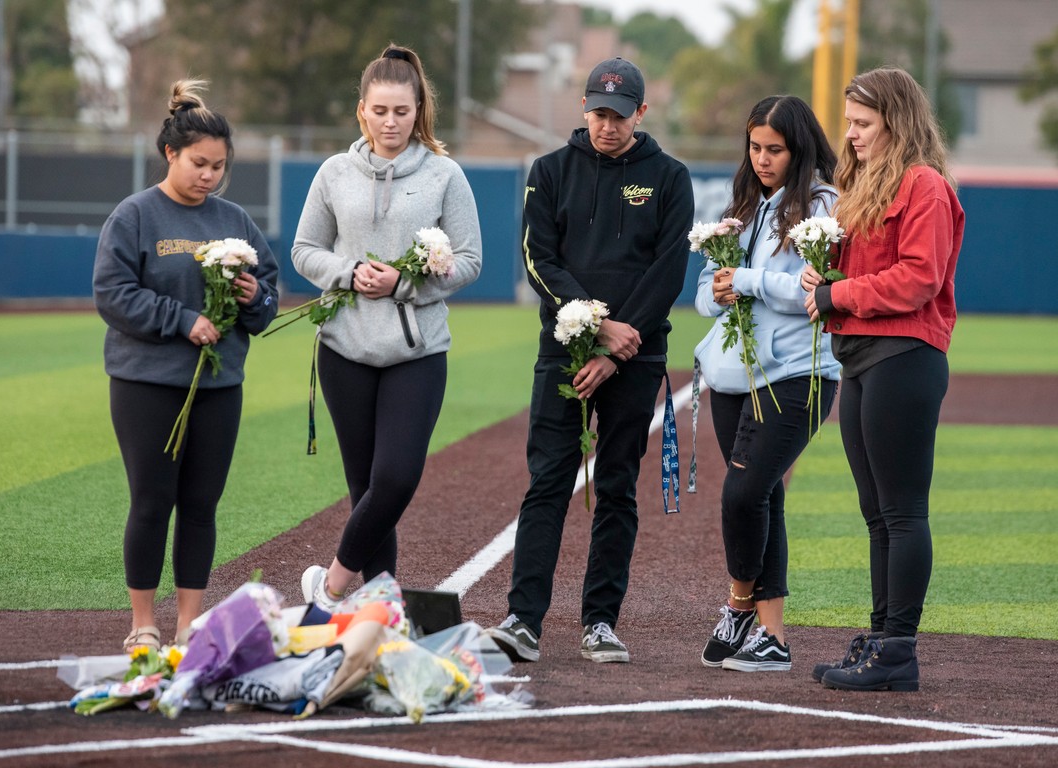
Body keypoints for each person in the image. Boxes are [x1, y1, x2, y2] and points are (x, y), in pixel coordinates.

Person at [486, 57, 694, 664]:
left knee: (617, 487)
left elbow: (669, 271)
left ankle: (600, 622)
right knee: (548, 480)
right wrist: (596, 330)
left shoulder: (669, 177)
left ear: (641, 113)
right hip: (564, 355)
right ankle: (524, 619)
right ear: (584, 108)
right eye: (599, 113)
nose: (608, 125)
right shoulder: (549, 171)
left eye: (620, 115)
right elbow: (539, 259)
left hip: (639, 353)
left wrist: (621, 344)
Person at [92, 79, 280, 653]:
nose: (209, 176)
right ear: (170, 153)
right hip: (146, 383)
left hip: (220, 385)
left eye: (219, 167)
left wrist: (254, 298)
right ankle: (143, 622)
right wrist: (181, 320)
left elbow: (270, 296)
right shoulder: (135, 216)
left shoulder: (235, 220)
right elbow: (112, 293)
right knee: (152, 501)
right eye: (199, 163)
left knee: (201, 507)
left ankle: (189, 626)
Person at [292, 45, 482, 608]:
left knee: (395, 480)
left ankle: (329, 586)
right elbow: (305, 250)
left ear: (418, 109)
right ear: (361, 112)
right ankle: (383, 613)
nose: (390, 122)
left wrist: (402, 284)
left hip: (416, 352)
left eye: (401, 111)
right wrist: (349, 274)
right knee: (365, 492)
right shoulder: (333, 173)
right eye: (379, 111)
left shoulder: (445, 175)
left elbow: (469, 260)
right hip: (343, 350)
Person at [802, 67, 964, 691]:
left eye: (864, 123)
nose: (852, 134)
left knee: (901, 512)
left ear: (897, 122)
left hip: (906, 356)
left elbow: (920, 278)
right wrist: (821, 275)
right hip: (862, 357)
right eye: (849, 123)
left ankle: (899, 649)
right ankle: (881, 640)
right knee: (877, 514)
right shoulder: (862, 183)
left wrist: (840, 291)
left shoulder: (924, 185)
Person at [695, 95, 841, 673]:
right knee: (767, 498)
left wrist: (747, 280)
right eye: (755, 147)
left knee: (744, 494)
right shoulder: (749, 204)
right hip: (735, 374)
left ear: (798, 149)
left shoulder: (826, 205)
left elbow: (814, 292)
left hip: (799, 374)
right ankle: (772, 639)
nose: (762, 159)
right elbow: (707, 293)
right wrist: (722, 287)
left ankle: (738, 607)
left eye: (774, 149)